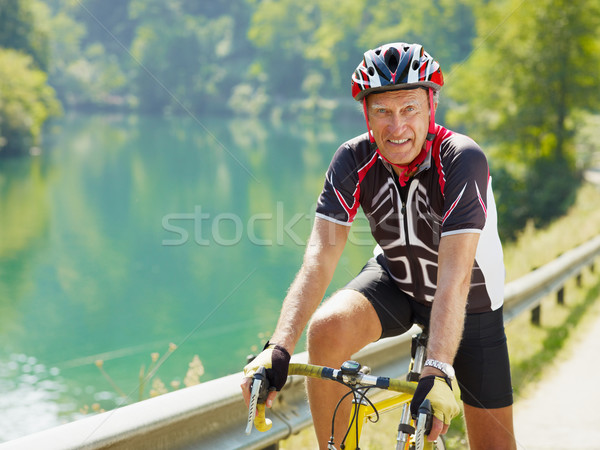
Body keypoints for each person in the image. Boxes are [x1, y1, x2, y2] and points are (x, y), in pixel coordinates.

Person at [241, 42, 517, 449]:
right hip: (396, 282)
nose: (397, 127)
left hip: (470, 302)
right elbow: (319, 259)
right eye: (383, 112)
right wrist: (278, 345)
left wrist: (438, 368)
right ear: (366, 114)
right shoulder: (353, 158)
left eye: (408, 109)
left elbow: (456, 277)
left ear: (430, 107)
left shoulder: (461, 158)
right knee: (326, 330)